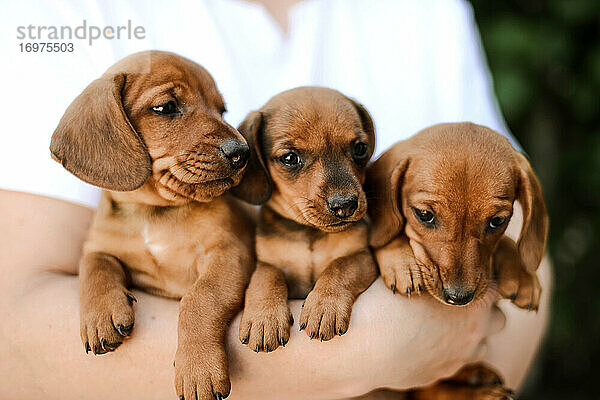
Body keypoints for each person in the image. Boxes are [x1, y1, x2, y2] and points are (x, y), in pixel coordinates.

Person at [0, 0, 550, 398]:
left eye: (358, 155)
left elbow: (519, 241)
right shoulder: (59, 12)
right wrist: (364, 353)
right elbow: (15, 330)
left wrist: (445, 361)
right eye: (291, 158)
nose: (226, 144)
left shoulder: (428, 12)